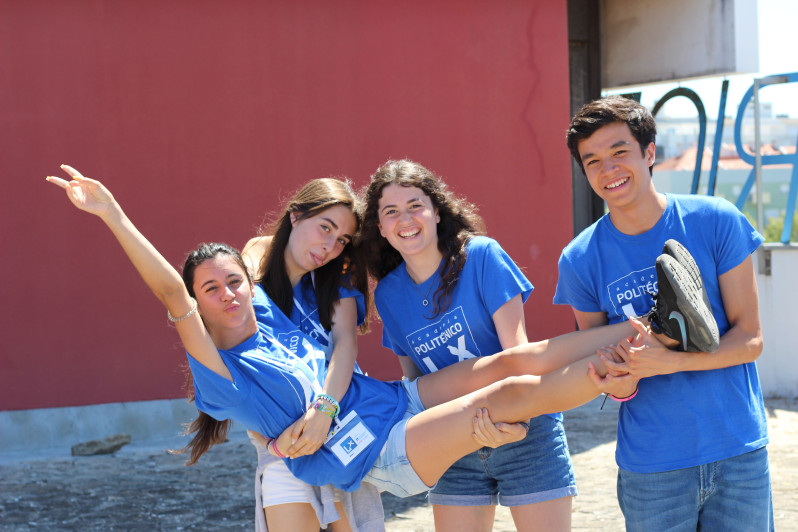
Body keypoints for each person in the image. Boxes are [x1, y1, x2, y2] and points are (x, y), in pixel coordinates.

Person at [47, 166, 699, 505]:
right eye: (212, 289)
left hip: (388, 402)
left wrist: (322, 237)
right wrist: (113, 213)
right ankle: (636, 355)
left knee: (506, 363)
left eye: (235, 283)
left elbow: (264, 253)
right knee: (503, 400)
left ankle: (655, 321)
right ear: (196, 304)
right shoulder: (219, 367)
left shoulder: (272, 306)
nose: (230, 293)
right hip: (377, 452)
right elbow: (175, 291)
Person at [555, 95, 771, 531]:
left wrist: (671, 360)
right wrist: (624, 377)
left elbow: (750, 339)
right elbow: (604, 373)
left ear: (649, 152)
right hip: (652, 466)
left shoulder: (715, 220)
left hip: (738, 450)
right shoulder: (579, 259)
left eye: (620, 152)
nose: (608, 170)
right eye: (592, 161)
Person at [360, 159, 574, 532]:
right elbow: (416, 386)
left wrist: (518, 425)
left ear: (437, 211)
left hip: (526, 433)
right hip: (455, 445)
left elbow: (518, 357)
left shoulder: (482, 256)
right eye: (391, 212)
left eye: (415, 206)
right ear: (380, 227)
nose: (405, 220)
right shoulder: (390, 295)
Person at [239, 178, 379, 532]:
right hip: (282, 443)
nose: (329, 246)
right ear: (296, 215)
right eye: (325, 228)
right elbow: (242, 299)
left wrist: (324, 408)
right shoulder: (258, 258)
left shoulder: (337, 280)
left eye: (342, 240)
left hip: (340, 428)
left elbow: (346, 344)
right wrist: (269, 439)